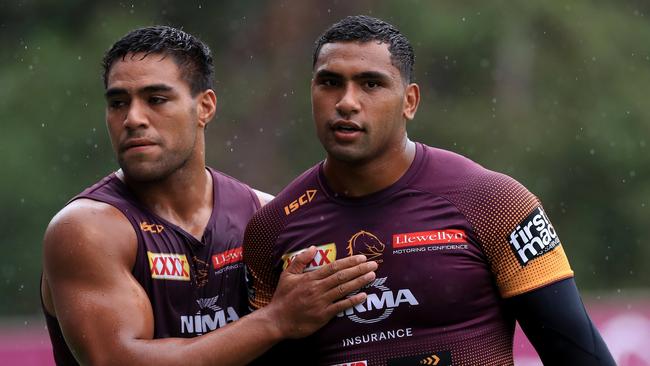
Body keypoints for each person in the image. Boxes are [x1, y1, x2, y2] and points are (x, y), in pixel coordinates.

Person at [243, 15, 615, 365]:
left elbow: (579, 353)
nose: (346, 102)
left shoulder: (497, 203)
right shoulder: (271, 230)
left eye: (371, 84)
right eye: (330, 82)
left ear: (410, 101)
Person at [40, 25, 378, 365]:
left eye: (156, 99)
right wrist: (275, 321)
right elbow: (117, 361)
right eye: (118, 103)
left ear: (205, 107)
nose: (133, 118)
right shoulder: (86, 230)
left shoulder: (264, 216)